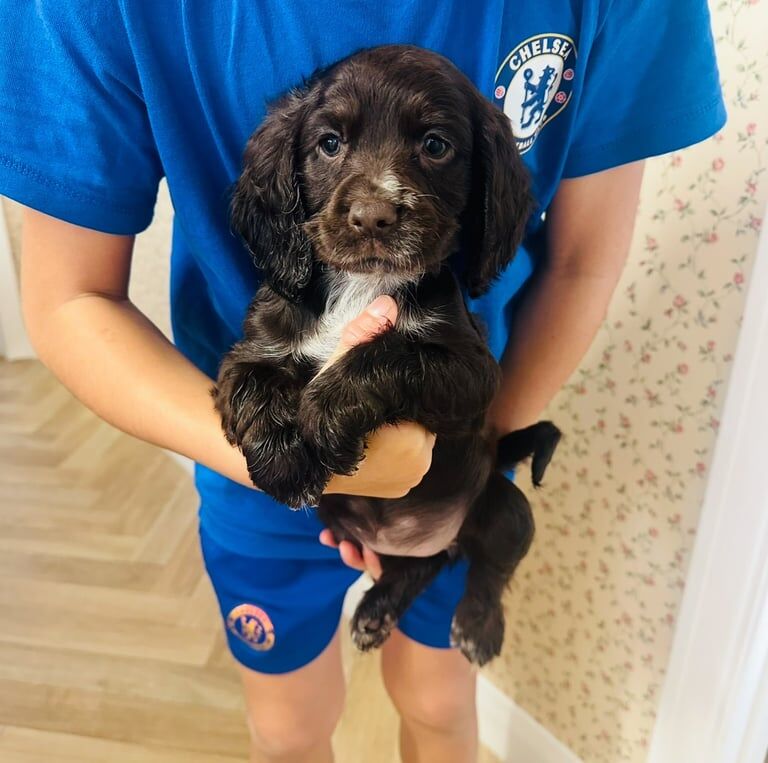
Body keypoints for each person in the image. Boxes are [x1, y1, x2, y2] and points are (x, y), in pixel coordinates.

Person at [0, 2, 725, 762]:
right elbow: (72, 297)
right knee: (287, 730)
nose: (375, 204)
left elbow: (578, 264)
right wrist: (282, 459)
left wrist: (460, 479)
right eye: (332, 144)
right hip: (250, 471)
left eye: (434, 146)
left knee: (438, 699)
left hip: (459, 462)